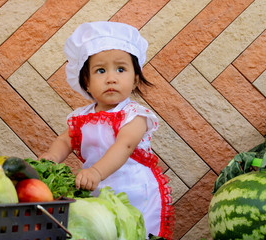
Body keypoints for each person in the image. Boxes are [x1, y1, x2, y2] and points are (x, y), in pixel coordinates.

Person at [39, 21, 174, 239]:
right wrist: (51, 157)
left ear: (135, 78)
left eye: (121, 69)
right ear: (87, 82)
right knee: (103, 231)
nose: (111, 78)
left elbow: (124, 146)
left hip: (135, 191)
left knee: (133, 231)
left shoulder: (134, 114)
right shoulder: (82, 116)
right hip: (98, 189)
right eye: (100, 70)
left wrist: (96, 172)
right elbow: (66, 140)